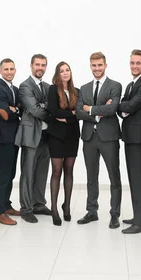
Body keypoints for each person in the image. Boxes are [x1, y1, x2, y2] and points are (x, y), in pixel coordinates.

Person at [76, 52, 123, 229]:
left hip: (109, 137)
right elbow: (79, 112)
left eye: (100, 65)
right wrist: (96, 113)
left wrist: (90, 109)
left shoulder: (115, 86)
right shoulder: (84, 88)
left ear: (105, 65)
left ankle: (114, 214)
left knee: (113, 175)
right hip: (89, 137)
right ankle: (91, 211)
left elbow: (112, 109)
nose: (97, 68)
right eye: (94, 65)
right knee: (91, 176)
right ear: (90, 66)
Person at [117, 49, 141, 234]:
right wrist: (123, 107)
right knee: (133, 177)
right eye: (132, 63)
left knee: (138, 177)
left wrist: (121, 106)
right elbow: (123, 107)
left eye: (138, 63)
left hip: (138, 136)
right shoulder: (132, 84)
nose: (134, 66)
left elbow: (128, 105)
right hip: (130, 136)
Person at [15, 54, 52, 223]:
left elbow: (45, 107)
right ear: (31, 66)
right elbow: (34, 109)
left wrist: (42, 106)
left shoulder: (48, 86)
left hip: (46, 135)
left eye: (43, 65)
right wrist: (49, 111)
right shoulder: (25, 86)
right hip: (31, 135)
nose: (40, 68)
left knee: (42, 171)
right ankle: (26, 208)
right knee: (28, 172)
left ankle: (38, 204)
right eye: (37, 64)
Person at [46, 62, 81, 226]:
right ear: (57, 74)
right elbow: (53, 111)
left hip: (72, 136)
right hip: (56, 136)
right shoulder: (53, 90)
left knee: (69, 171)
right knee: (56, 172)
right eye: (62, 71)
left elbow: (79, 113)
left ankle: (66, 206)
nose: (65, 73)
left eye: (68, 70)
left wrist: (67, 116)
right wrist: (71, 114)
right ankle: (54, 208)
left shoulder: (77, 91)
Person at [0, 58, 20, 226]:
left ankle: (6, 205)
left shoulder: (14, 89)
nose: (9, 71)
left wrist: (15, 109)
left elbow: (19, 109)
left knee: (11, 173)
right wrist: (14, 110)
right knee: (2, 174)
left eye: (12, 69)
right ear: (0, 71)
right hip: (3, 138)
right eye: (6, 69)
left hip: (14, 137)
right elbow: (5, 114)